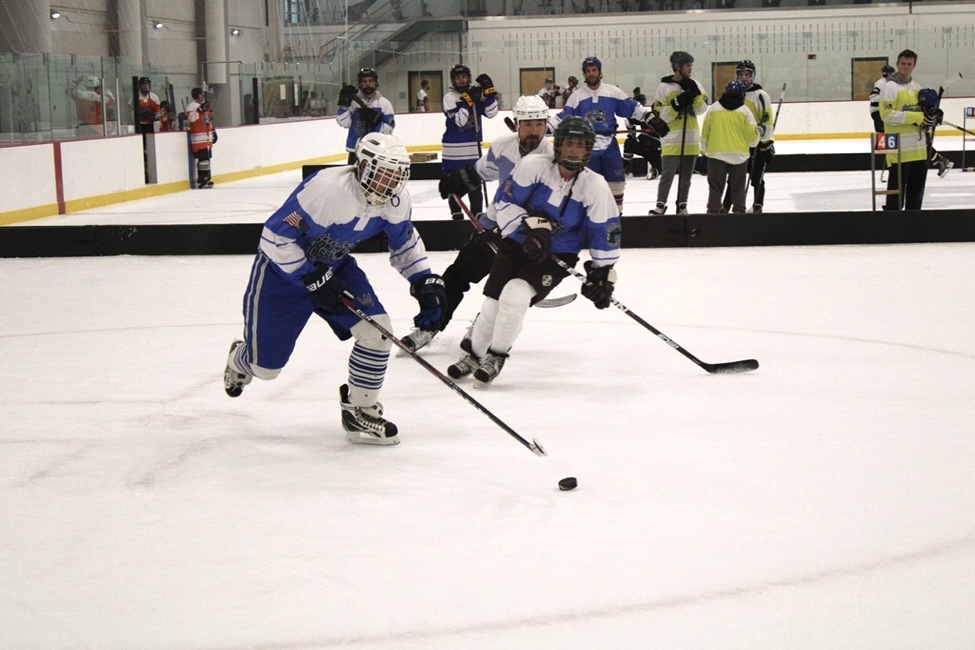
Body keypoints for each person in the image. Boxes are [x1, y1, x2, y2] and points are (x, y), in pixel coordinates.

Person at [222, 133, 447, 446]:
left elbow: (405, 242)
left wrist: (423, 280)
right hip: (281, 277)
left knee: (378, 332)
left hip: (334, 268)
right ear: (362, 166)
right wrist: (309, 275)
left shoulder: (395, 200)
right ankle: (240, 359)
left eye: (396, 177)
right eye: (383, 174)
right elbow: (274, 238)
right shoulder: (327, 190)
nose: (389, 185)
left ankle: (360, 409)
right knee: (266, 368)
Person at [446, 117, 620, 388]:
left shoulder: (595, 186)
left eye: (580, 145)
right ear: (558, 146)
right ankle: (474, 356)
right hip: (517, 242)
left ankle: (497, 356)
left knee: (515, 294)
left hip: (558, 255)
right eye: (569, 144)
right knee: (492, 304)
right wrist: (531, 228)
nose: (574, 150)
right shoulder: (532, 167)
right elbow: (505, 200)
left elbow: (604, 230)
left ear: (588, 150)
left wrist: (603, 274)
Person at [400, 95, 554, 353]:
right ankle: (431, 324)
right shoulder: (503, 147)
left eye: (539, 124)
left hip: (526, 236)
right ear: (516, 123)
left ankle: (483, 329)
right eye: (527, 124)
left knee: (503, 289)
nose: (534, 131)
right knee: (458, 274)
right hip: (493, 224)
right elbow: (482, 171)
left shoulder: (551, 159)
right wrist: (459, 179)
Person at [551, 56, 660, 214]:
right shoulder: (576, 97)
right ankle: (589, 216)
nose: (591, 74)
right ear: (584, 73)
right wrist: (547, 125)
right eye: (588, 71)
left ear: (600, 71)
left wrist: (649, 117)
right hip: (586, 148)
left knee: (616, 181)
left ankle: (617, 215)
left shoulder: (612, 92)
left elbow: (631, 107)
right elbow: (565, 116)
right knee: (585, 183)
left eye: (594, 70)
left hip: (609, 145)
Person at [879, 49, 942, 210]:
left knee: (916, 192)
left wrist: (932, 116)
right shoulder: (890, 87)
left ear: (914, 65)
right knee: (895, 194)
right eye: (903, 64)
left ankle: (914, 223)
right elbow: (887, 114)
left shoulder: (916, 86)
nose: (906, 67)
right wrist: (917, 117)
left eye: (909, 64)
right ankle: (893, 223)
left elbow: (923, 113)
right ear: (897, 64)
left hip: (919, 150)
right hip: (899, 150)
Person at [650, 51, 708, 215]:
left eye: (691, 65)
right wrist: (676, 103)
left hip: (690, 138)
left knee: (686, 178)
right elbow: (660, 114)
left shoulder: (694, 83)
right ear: (677, 67)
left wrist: (694, 95)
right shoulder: (664, 87)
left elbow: (701, 109)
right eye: (687, 65)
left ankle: (682, 205)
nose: (690, 69)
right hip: (671, 139)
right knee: (667, 175)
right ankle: (660, 205)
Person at [442, 63, 499, 221]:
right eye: (457, 77)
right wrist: (468, 102)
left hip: (473, 151)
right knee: (454, 186)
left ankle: (477, 220)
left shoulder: (475, 94)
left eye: (464, 76)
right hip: (453, 152)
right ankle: (457, 218)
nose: (461, 80)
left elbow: (492, 112)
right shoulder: (449, 97)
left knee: (475, 185)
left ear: (468, 77)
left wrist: (489, 93)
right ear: (453, 80)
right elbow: (459, 122)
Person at [720, 60, 775, 213]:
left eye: (747, 74)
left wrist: (765, 142)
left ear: (753, 75)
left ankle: (758, 205)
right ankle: (726, 206)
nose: (744, 77)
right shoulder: (735, 95)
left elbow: (767, 120)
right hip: (739, 144)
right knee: (734, 178)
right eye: (741, 74)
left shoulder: (760, 95)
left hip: (757, 144)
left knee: (756, 176)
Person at [701, 81, 759, 214]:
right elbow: (753, 138)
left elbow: (705, 132)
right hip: (739, 156)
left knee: (715, 188)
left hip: (716, 154)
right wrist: (753, 143)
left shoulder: (714, 109)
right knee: (738, 188)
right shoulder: (745, 111)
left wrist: (704, 151)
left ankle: (713, 214)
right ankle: (739, 214)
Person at [337, 68, 395, 164]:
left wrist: (376, 122)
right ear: (359, 84)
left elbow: (389, 129)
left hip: (378, 150)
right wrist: (343, 106)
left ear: (376, 83)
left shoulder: (384, 103)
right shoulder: (353, 103)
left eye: (370, 81)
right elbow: (344, 123)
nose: (367, 84)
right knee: (353, 178)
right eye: (364, 81)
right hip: (355, 151)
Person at [185, 87, 217, 188]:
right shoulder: (191, 106)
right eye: (201, 94)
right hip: (198, 138)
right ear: (196, 95)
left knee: (207, 158)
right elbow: (191, 119)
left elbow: (208, 119)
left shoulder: (204, 106)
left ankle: (206, 177)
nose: (202, 96)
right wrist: (199, 110)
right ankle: (201, 179)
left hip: (206, 137)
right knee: (202, 158)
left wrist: (213, 131)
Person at [869, 64, 895, 133]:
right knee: (881, 132)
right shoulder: (881, 83)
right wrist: (884, 102)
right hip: (877, 111)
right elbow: (873, 96)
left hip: (882, 111)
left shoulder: (889, 83)